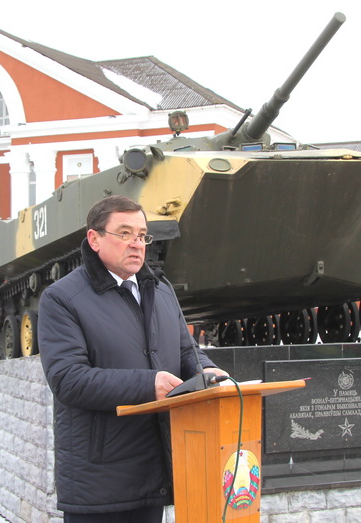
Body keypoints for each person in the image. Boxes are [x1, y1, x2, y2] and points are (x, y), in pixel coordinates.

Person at [38, 195, 227, 522]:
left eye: (141, 235)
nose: (136, 244)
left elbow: (185, 350)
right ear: (94, 239)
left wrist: (209, 372)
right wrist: (148, 384)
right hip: (100, 479)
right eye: (124, 233)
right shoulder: (62, 298)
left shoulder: (161, 289)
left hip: (154, 469)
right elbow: (68, 379)